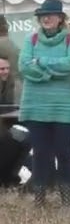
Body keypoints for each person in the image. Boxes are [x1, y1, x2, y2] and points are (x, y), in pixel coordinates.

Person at [17, 0, 70, 205]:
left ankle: (66, 200)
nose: (46, 18)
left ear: (60, 18)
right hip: (36, 105)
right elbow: (24, 66)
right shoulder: (31, 39)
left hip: (64, 105)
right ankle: (39, 198)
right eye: (42, 15)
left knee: (63, 152)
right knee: (40, 153)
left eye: (50, 15)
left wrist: (42, 62)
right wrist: (49, 75)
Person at [0, 56, 28, 188]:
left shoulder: (13, 85)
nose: (5, 71)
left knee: (26, 139)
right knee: (11, 140)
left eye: (7, 68)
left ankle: (10, 179)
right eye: (1, 69)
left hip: (9, 125)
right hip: (5, 129)